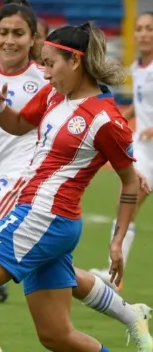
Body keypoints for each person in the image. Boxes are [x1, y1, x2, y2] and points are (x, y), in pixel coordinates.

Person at [0, 1, 153, 351]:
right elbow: (18, 124)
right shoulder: (53, 94)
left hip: (42, 214)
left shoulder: (105, 119)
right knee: (55, 336)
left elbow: (129, 181)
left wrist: (117, 241)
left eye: (50, 64)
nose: (45, 73)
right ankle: (130, 315)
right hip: (48, 218)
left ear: (75, 61)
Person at [90, 11, 153, 292]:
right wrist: (122, 117)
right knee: (126, 203)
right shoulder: (138, 68)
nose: (143, 33)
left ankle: (114, 273)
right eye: (139, 28)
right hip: (144, 150)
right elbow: (141, 106)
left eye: (149, 28)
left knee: (127, 206)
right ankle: (114, 272)